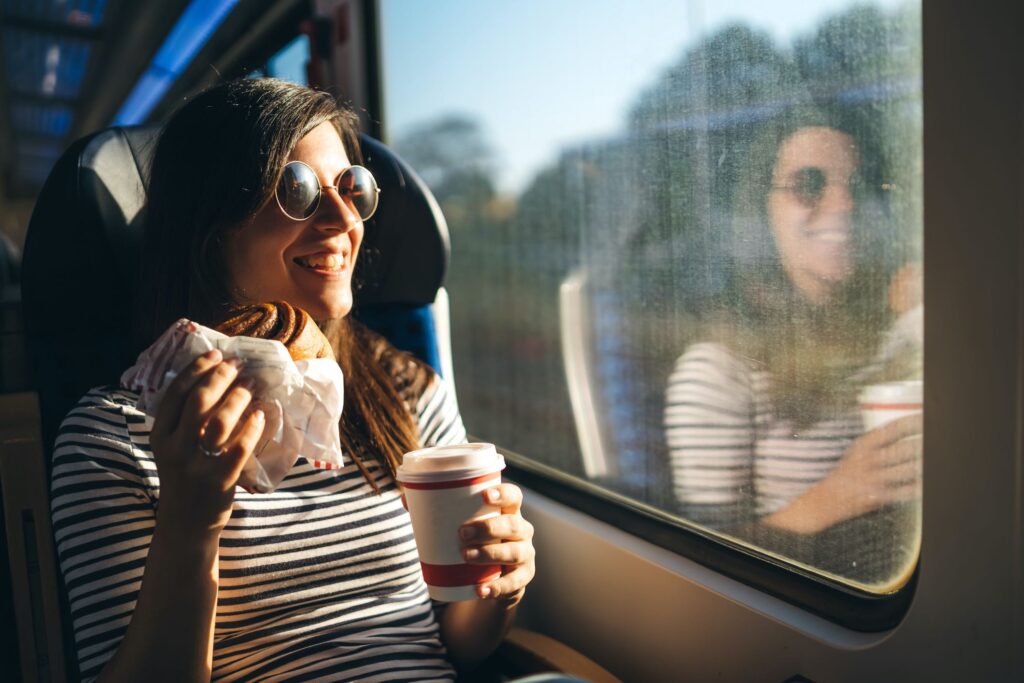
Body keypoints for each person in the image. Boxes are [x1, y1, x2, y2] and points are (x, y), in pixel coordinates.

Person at [49, 78, 536, 681]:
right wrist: (191, 524)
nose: (341, 219)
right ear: (210, 225)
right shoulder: (114, 438)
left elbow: (459, 645)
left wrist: (499, 587)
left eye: (352, 188)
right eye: (297, 190)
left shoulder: (405, 390)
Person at [663, 113, 922, 584]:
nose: (844, 204)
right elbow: (702, 564)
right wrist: (839, 495)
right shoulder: (719, 369)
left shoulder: (892, 335)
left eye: (860, 186)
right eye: (808, 184)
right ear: (763, 211)